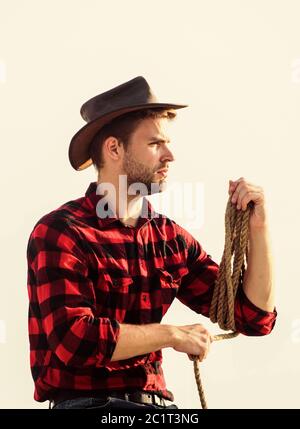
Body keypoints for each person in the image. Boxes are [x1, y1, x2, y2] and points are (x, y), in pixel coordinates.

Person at [26, 76, 277, 410]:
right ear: (114, 148)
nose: (169, 155)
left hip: (156, 407)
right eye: (155, 144)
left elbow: (252, 317)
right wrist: (171, 335)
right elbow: (75, 340)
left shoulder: (169, 239)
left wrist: (259, 230)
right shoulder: (61, 232)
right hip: (88, 405)